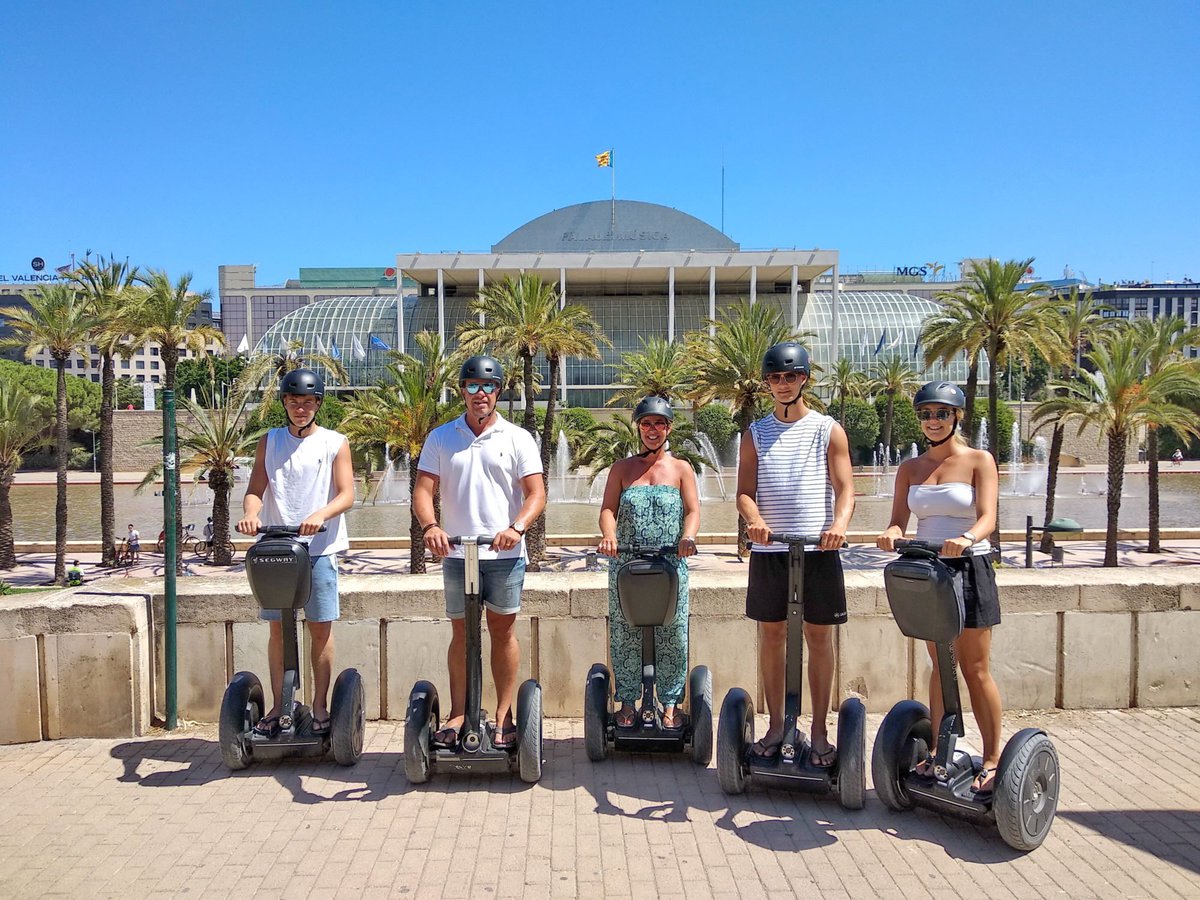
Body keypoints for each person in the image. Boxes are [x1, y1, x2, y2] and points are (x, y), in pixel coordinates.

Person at [875, 381, 1003, 796]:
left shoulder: (979, 460)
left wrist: (966, 539)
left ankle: (992, 758)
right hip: (929, 570)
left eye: (942, 413)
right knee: (940, 663)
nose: (933, 421)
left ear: (957, 417)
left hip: (968, 566)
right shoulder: (910, 468)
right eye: (927, 414)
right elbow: (899, 520)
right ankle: (937, 750)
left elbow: (987, 518)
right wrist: (890, 534)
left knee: (975, 667)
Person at [414, 355, 546, 750]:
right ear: (462, 391)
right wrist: (431, 527)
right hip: (457, 554)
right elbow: (423, 491)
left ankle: (505, 715)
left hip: (502, 556)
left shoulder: (518, 437)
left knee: (502, 632)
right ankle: (459, 712)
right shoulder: (441, 437)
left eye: (487, 387)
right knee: (461, 633)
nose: (480, 394)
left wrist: (516, 528)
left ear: (499, 392)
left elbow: (536, 494)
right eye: (472, 386)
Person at [736, 341, 855, 767]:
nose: (783, 385)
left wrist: (838, 525)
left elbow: (845, 489)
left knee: (819, 637)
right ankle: (775, 726)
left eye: (791, 377)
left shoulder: (828, 429)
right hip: (771, 551)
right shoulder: (754, 434)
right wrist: (753, 519)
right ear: (767, 383)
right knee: (770, 635)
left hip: (818, 549)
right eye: (775, 378)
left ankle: (820, 730)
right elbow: (745, 494)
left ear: (805, 378)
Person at [236, 368, 355, 738]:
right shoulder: (269, 441)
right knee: (278, 630)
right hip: (276, 547)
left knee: (319, 629)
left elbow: (347, 493)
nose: (300, 408)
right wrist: (251, 515)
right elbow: (256, 488)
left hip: (318, 549)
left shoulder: (335, 442)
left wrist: (321, 514)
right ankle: (278, 705)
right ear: (284, 403)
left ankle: (319, 704)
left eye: (307, 402)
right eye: (293, 402)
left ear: (318, 404)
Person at [598, 396, 700, 729]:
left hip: (671, 561)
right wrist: (609, 536)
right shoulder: (622, 468)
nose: (652, 430)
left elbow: (694, 511)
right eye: (646, 424)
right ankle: (627, 702)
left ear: (669, 427)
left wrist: (688, 537)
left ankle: (670, 703)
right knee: (625, 631)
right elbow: (608, 510)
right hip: (627, 562)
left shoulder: (682, 468)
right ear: (638, 428)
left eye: (658, 424)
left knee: (673, 631)